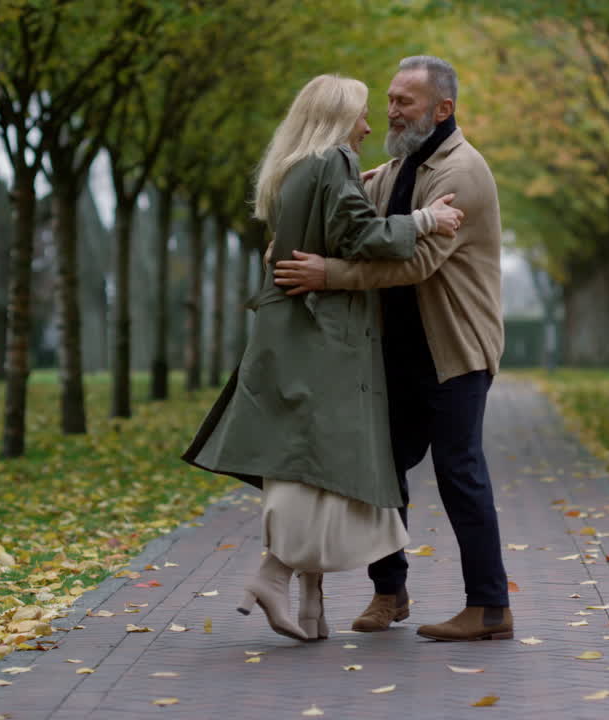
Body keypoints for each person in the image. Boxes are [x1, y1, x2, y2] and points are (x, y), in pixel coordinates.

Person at [183, 74, 464, 642]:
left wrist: (359, 186)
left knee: (310, 459)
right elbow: (360, 236)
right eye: (362, 114)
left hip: (292, 331)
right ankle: (274, 575)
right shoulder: (333, 160)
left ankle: (311, 605)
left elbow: (318, 230)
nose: (368, 125)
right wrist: (425, 221)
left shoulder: (295, 166)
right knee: (323, 464)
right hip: (322, 336)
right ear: (338, 118)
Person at [272, 56, 512, 642]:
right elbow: (352, 214)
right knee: (381, 473)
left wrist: (329, 275)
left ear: (443, 109)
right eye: (390, 99)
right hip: (396, 351)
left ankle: (490, 607)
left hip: (453, 350)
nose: (391, 111)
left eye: (405, 101)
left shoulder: (463, 171)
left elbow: (416, 262)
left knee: (459, 471)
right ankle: (390, 593)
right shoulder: (403, 165)